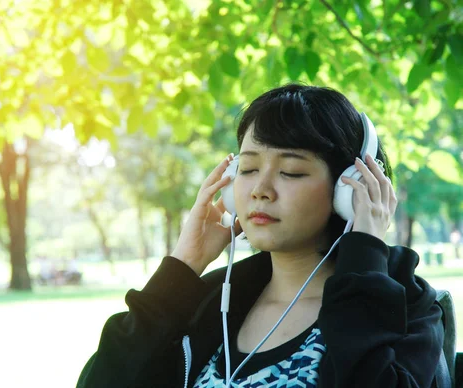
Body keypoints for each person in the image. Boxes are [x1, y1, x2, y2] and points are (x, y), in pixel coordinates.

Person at [76, 84, 444, 388]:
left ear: (350, 190)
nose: (260, 190)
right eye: (249, 168)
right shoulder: (208, 302)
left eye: (292, 172)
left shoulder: (407, 307)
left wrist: (365, 256)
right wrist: (181, 271)